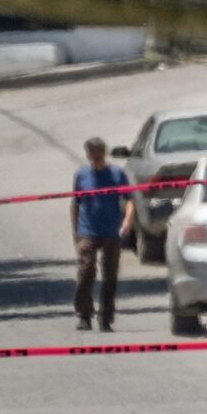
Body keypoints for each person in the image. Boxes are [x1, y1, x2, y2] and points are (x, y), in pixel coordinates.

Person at [70, 137, 134, 332]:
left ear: (104, 152)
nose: (96, 155)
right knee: (86, 271)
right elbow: (75, 204)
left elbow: (129, 199)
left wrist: (127, 222)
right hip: (87, 230)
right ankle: (84, 315)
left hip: (111, 231)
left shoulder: (117, 174)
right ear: (88, 154)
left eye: (99, 151)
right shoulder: (81, 175)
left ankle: (105, 317)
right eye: (93, 152)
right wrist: (76, 232)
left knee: (110, 275)